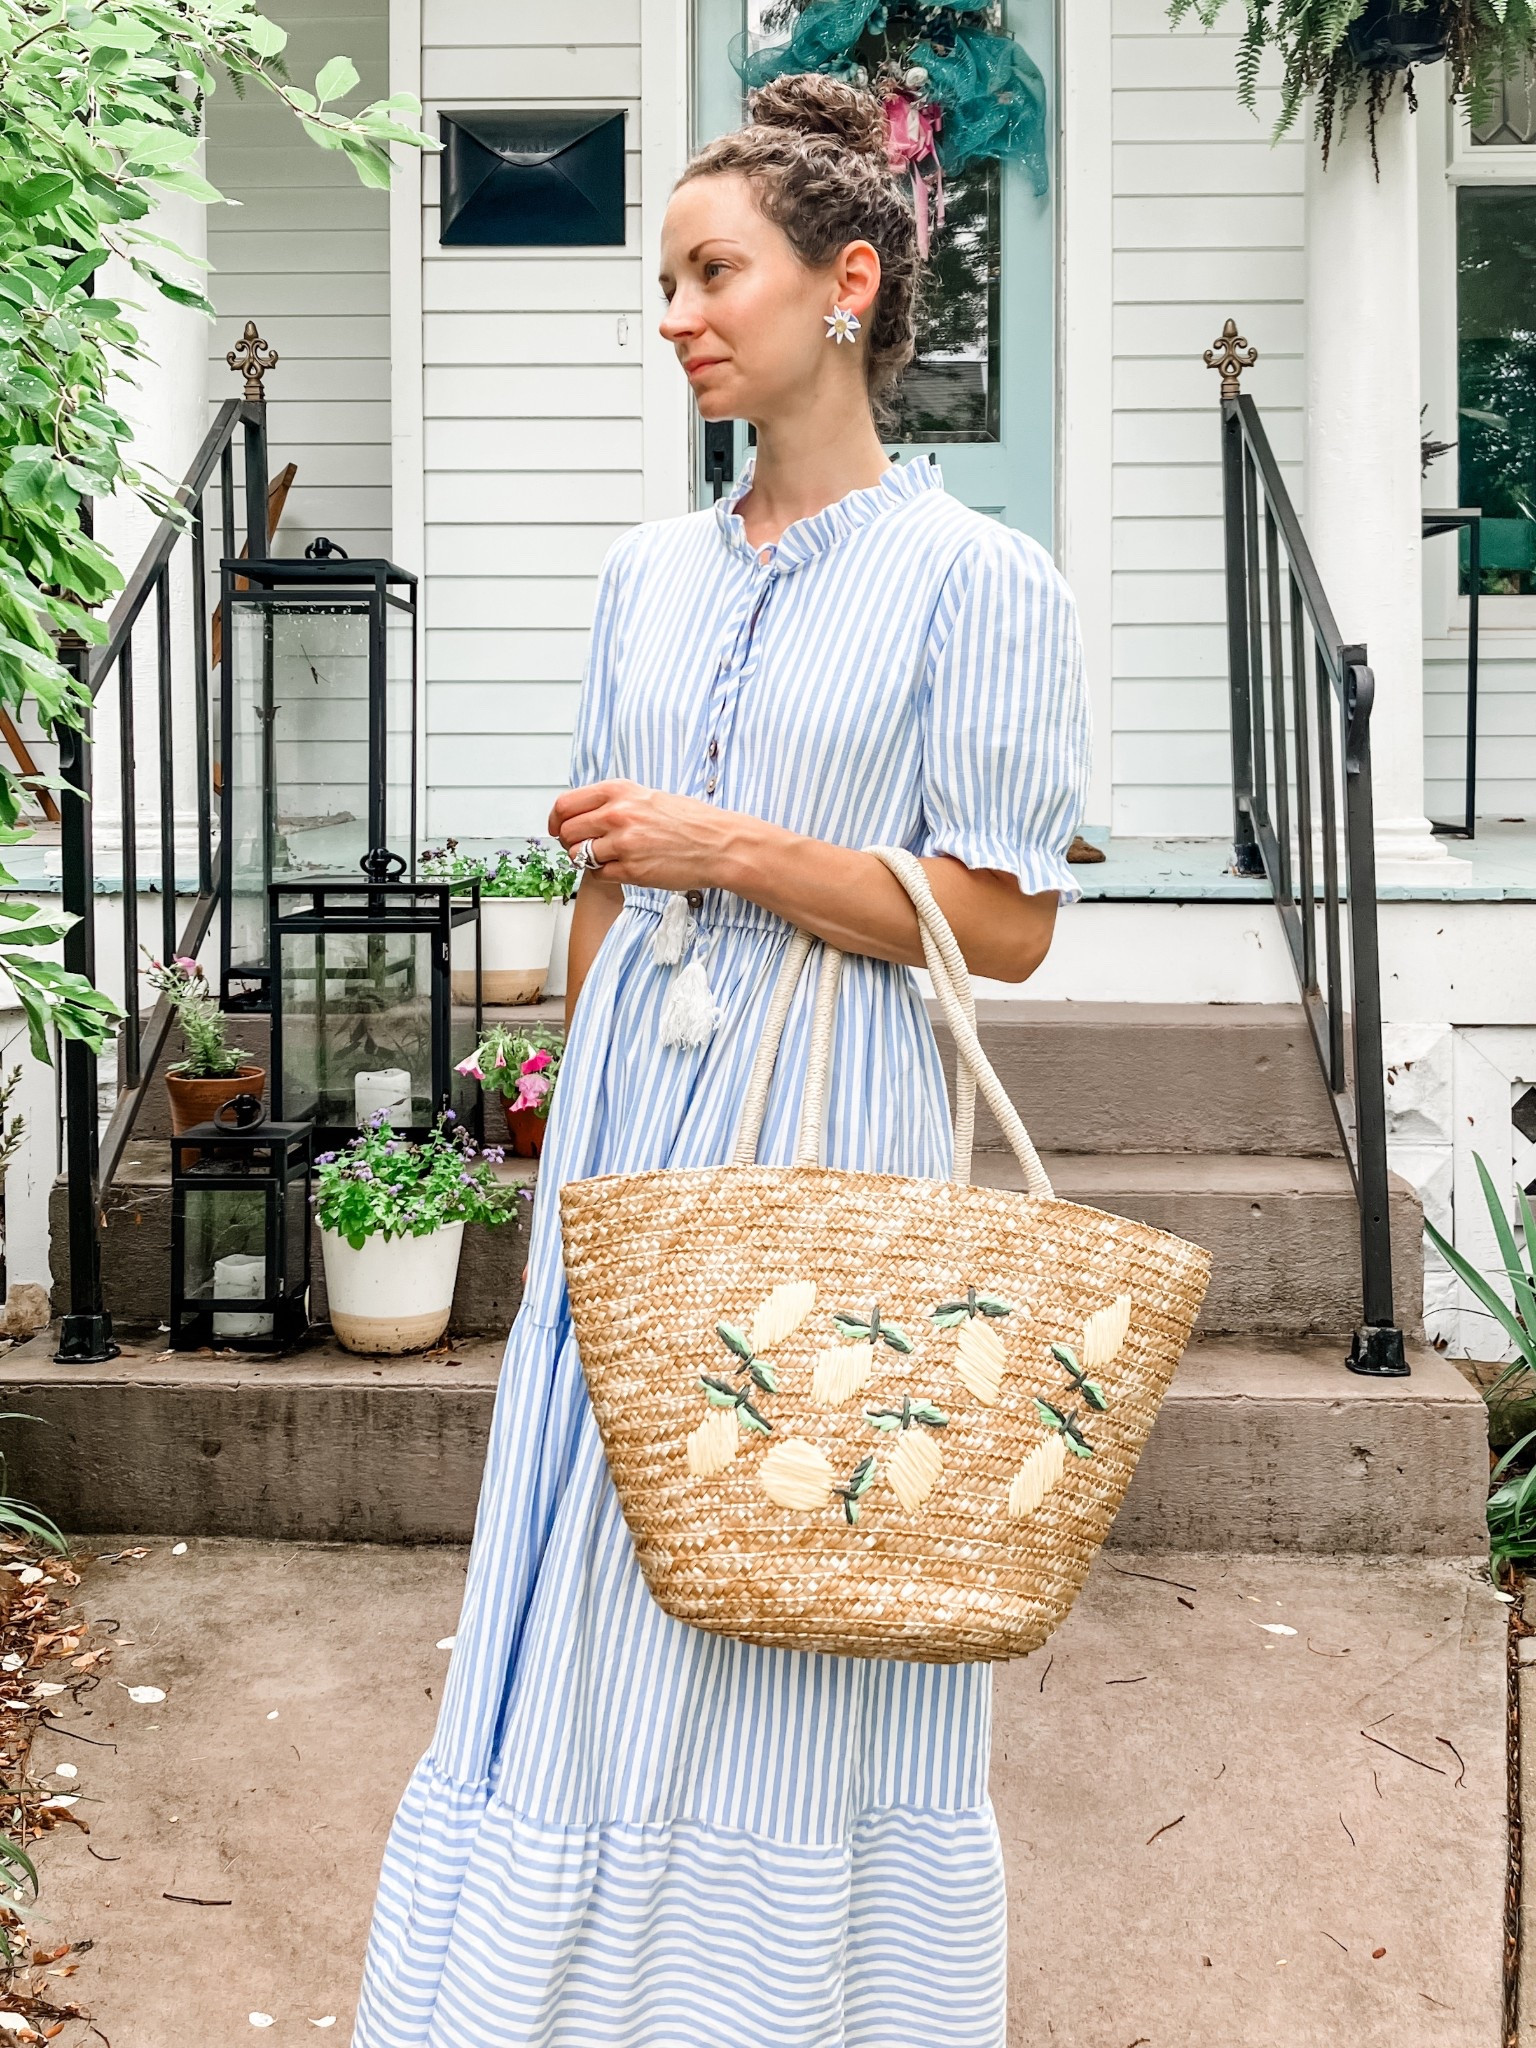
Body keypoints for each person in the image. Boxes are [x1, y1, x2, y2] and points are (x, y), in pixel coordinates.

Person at [353, 70, 1088, 2048]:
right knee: (594, 1582)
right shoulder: (642, 579)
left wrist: (726, 850)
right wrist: (568, 1144)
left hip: (835, 1118)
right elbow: (602, 894)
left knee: (800, 1590)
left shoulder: (980, 583)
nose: (677, 311)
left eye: (713, 270)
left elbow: (1006, 925)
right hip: (634, 1133)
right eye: (665, 277)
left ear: (846, 284)